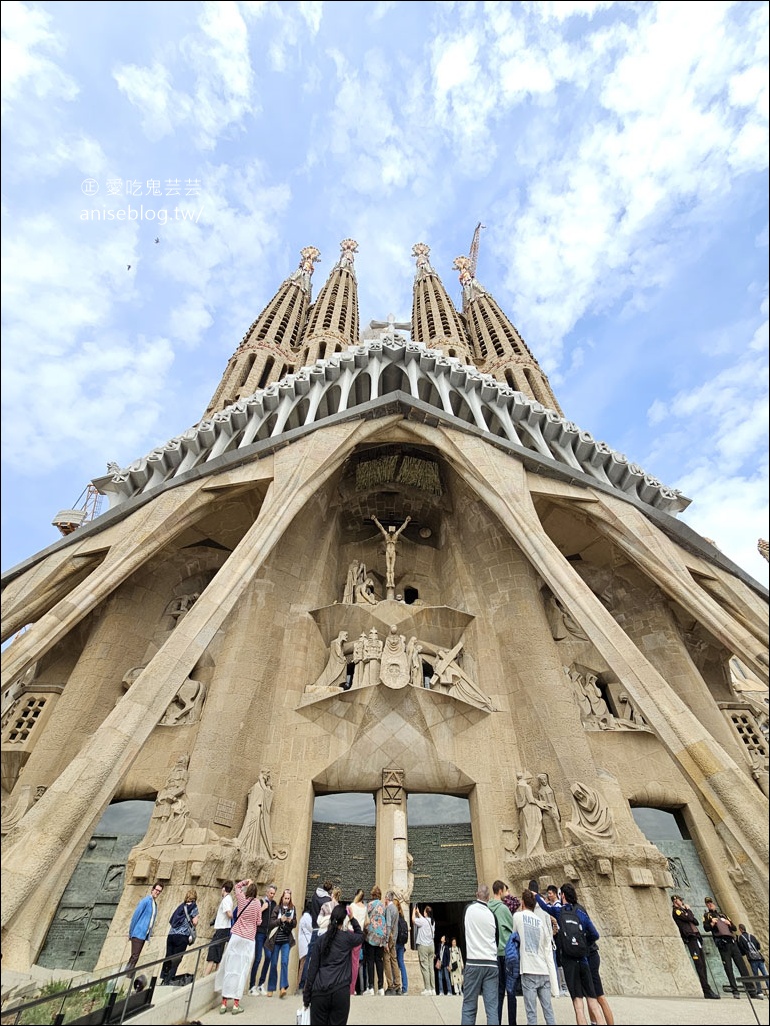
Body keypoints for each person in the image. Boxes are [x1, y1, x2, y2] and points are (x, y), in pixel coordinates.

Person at [551, 882, 605, 1026]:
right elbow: (595, 934)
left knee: (578, 1006)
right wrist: (584, 944)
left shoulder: (560, 912)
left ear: (562, 895)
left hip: (570, 961)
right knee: (593, 1003)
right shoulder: (581, 911)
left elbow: (545, 907)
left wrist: (536, 896)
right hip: (584, 959)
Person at [303, 902, 364, 1025]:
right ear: (343, 921)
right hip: (340, 990)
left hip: (320, 990)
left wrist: (307, 997)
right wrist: (352, 918)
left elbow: (312, 969)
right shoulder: (347, 938)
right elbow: (360, 935)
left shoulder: (321, 940)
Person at [512, 889, 558, 1025]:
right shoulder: (540, 921)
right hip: (543, 970)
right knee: (548, 1011)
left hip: (528, 969)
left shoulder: (518, 917)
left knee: (531, 1014)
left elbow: (514, 936)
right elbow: (546, 946)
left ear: (523, 902)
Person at [217, 878, 262, 1015]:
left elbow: (236, 886)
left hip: (236, 936)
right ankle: (236, 1004)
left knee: (230, 968)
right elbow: (259, 922)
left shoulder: (242, 899)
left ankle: (224, 1003)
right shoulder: (257, 904)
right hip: (248, 939)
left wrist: (246, 881)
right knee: (242, 971)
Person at [702, 897, 757, 998]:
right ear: (706, 905)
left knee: (742, 967)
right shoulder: (707, 915)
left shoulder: (723, 915)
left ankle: (751, 991)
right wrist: (712, 923)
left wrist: (729, 923)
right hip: (723, 944)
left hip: (732, 942)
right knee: (728, 968)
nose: (710, 904)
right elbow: (706, 928)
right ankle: (735, 991)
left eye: (711, 903)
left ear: (714, 904)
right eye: (708, 903)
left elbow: (734, 928)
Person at [461, 884, 499, 1025]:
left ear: (476, 894)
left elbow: (464, 932)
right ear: (488, 897)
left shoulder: (468, 910)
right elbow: (497, 939)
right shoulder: (492, 915)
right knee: (492, 1009)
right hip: (491, 963)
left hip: (473, 961)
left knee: (469, 1007)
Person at [670, 895, 719, 999]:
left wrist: (688, 912)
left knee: (703, 964)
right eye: (680, 900)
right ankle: (706, 989)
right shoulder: (677, 911)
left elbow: (695, 921)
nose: (681, 902)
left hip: (696, 938)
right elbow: (689, 918)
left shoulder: (684, 911)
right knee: (699, 964)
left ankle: (707, 989)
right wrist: (688, 910)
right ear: (676, 901)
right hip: (691, 938)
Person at [489, 880, 516, 1025]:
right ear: (500, 891)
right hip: (505, 953)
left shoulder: (487, 907)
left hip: (493, 954)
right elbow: (513, 929)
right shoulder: (504, 909)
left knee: (498, 992)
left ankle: (496, 1021)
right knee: (510, 990)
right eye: (505, 891)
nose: (507, 894)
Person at [161, 888, 199, 984]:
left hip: (171, 935)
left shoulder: (181, 906)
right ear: (195, 898)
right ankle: (169, 980)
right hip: (182, 936)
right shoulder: (194, 907)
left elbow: (172, 919)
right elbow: (195, 922)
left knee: (168, 956)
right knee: (176, 959)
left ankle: (164, 977)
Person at [265, 887, 296, 998]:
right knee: (273, 963)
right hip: (276, 940)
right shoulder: (277, 908)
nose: (287, 900)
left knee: (284, 962)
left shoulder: (292, 908)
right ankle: (271, 988)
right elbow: (271, 923)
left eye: (288, 898)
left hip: (286, 940)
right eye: (285, 898)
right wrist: (280, 920)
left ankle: (283, 987)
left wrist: (290, 921)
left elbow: (295, 923)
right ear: (282, 898)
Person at [127, 882, 163, 971]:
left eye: (159, 891)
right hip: (138, 932)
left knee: (135, 956)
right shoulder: (146, 901)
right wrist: (131, 933)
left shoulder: (154, 904)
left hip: (144, 934)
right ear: (152, 889)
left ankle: (127, 974)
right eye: (156, 890)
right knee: (135, 956)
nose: (157, 892)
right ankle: (127, 975)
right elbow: (136, 916)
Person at [248, 882, 276, 994]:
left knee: (268, 957)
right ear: (267, 892)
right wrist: (262, 908)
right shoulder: (260, 902)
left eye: (274, 893)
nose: (272, 895)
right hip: (260, 933)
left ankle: (261, 984)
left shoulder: (274, 904)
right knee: (258, 958)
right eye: (271, 893)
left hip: (268, 934)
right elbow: (254, 915)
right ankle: (252, 986)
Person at [205, 881, 234, 976]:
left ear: (224, 889)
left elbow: (229, 914)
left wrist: (231, 916)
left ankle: (205, 976)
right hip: (224, 929)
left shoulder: (226, 900)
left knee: (212, 954)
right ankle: (217, 976)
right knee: (218, 954)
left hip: (222, 929)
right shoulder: (229, 899)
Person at [364, 886, 388, 995]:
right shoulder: (383, 906)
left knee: (370, 961)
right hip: (380, 937)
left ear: (372, 895)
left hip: (371, 936)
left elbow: (366, 919)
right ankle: (381, 987)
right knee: (379, 961)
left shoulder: (369, 905)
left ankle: (371, 987)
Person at [737, 924, 768, 995]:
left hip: (752, 959)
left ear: (740, 929)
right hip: (759, 957)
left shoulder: (741, 937)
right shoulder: (751, 936)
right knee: (765, 974)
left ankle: (759, 991)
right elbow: (758, 946)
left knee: (756, 976)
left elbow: (742, 948)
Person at [413, 902, 436, 995]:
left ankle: (427, 988)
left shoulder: (422, 921)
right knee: (431, 968)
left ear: (426, 913)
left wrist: (413, 912)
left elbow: (413, 920)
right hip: (431, 946)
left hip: (423, 946)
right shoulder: (432, 922)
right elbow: (423, 919)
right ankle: (433, 989)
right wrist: (419, 913)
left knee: (425, 967)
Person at [349, 888, 368, 995]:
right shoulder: (364, 908)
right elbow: (366, 922)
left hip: (351, 932)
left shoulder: (352, 906)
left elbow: (347, 919)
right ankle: (353, 989)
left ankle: (347, 987)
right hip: (359, 935)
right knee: (355, 962)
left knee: (348, 960)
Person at [383, 890, 401, 994]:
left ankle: (390, 985)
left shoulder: (388, 909)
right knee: (394, 960)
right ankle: (398, 984)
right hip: (394, 937)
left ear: (387, 898)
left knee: (387, 960)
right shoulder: (395, 908)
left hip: (389, 938)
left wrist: (386, 941)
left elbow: (388, 925)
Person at [394, 897, 409, 995]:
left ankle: (396, 986)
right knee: (402, 964)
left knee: (394, 964)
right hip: (402, 943)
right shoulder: (402, 917)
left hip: (396, 942)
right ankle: (405, 988)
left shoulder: (395, 916)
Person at [298, 899, 313, 994]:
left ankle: (300, 985)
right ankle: (301, 986)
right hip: (306, 942)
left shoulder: (304, 916)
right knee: (304, 965)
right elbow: (312, 928)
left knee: (302, 964)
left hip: (303, 942)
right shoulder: (307, 917)